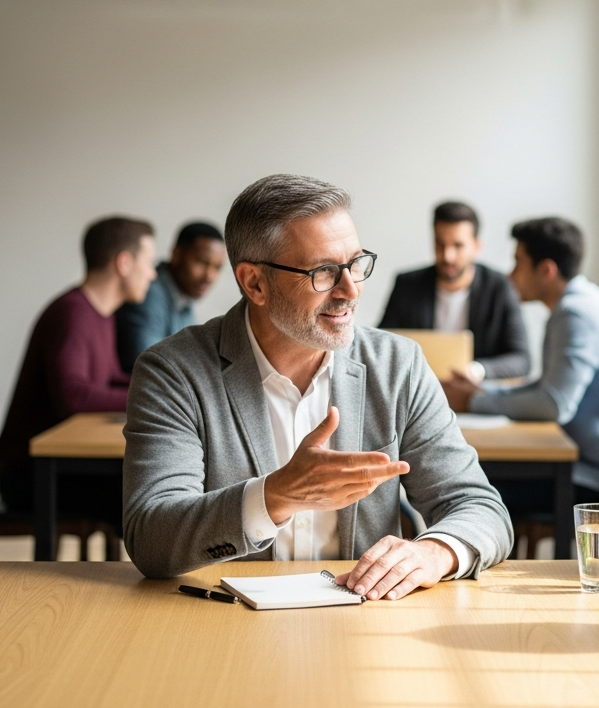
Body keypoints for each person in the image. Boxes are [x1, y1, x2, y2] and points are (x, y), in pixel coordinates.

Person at [122, 174, 512, 601]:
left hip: (363, 623)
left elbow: (480, 508)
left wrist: (435, 553)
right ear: (254, 283)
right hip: (224, 627)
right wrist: (275, 496)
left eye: (356, 263)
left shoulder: (398, 366)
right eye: (324, 272)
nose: (350, 290)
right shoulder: (174, 371)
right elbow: (151, 537)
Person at [442, 217, 599, 508]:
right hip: (598, 466)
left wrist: (472, 402)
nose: (511, 275)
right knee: (475, 479)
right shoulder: (581, 301)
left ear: (546, 270)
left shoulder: (575, 314)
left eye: (518, 263)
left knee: (473, 489)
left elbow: (553, 404)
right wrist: (481, 391)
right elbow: (546, 388)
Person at [0, 216, 158, 513]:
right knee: (150, 495)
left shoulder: (100, 313)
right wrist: (149, 399)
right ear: (123, 263)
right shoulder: (72, 314)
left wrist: (162, 391)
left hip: (61, 466)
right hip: (31, 474)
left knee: (152, 486)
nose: (152, 274)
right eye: (148, 262)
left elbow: (110, 378)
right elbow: (73, 396)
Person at [378, 201, 529, 381]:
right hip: (418, 390)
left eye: (458, 246)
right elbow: (381, 344)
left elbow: (522, 359)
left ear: (476, 246)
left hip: (474, 396)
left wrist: (477, 370)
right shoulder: (408, 285)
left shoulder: (500, 287)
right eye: (440, 244)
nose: (447, 256)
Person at [115, 221, 227, 371]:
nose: (209, 276)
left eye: (217, 267)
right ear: (177, 254)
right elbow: (150, 367)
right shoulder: (148, 293)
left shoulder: (184, 296)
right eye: (201, 262)